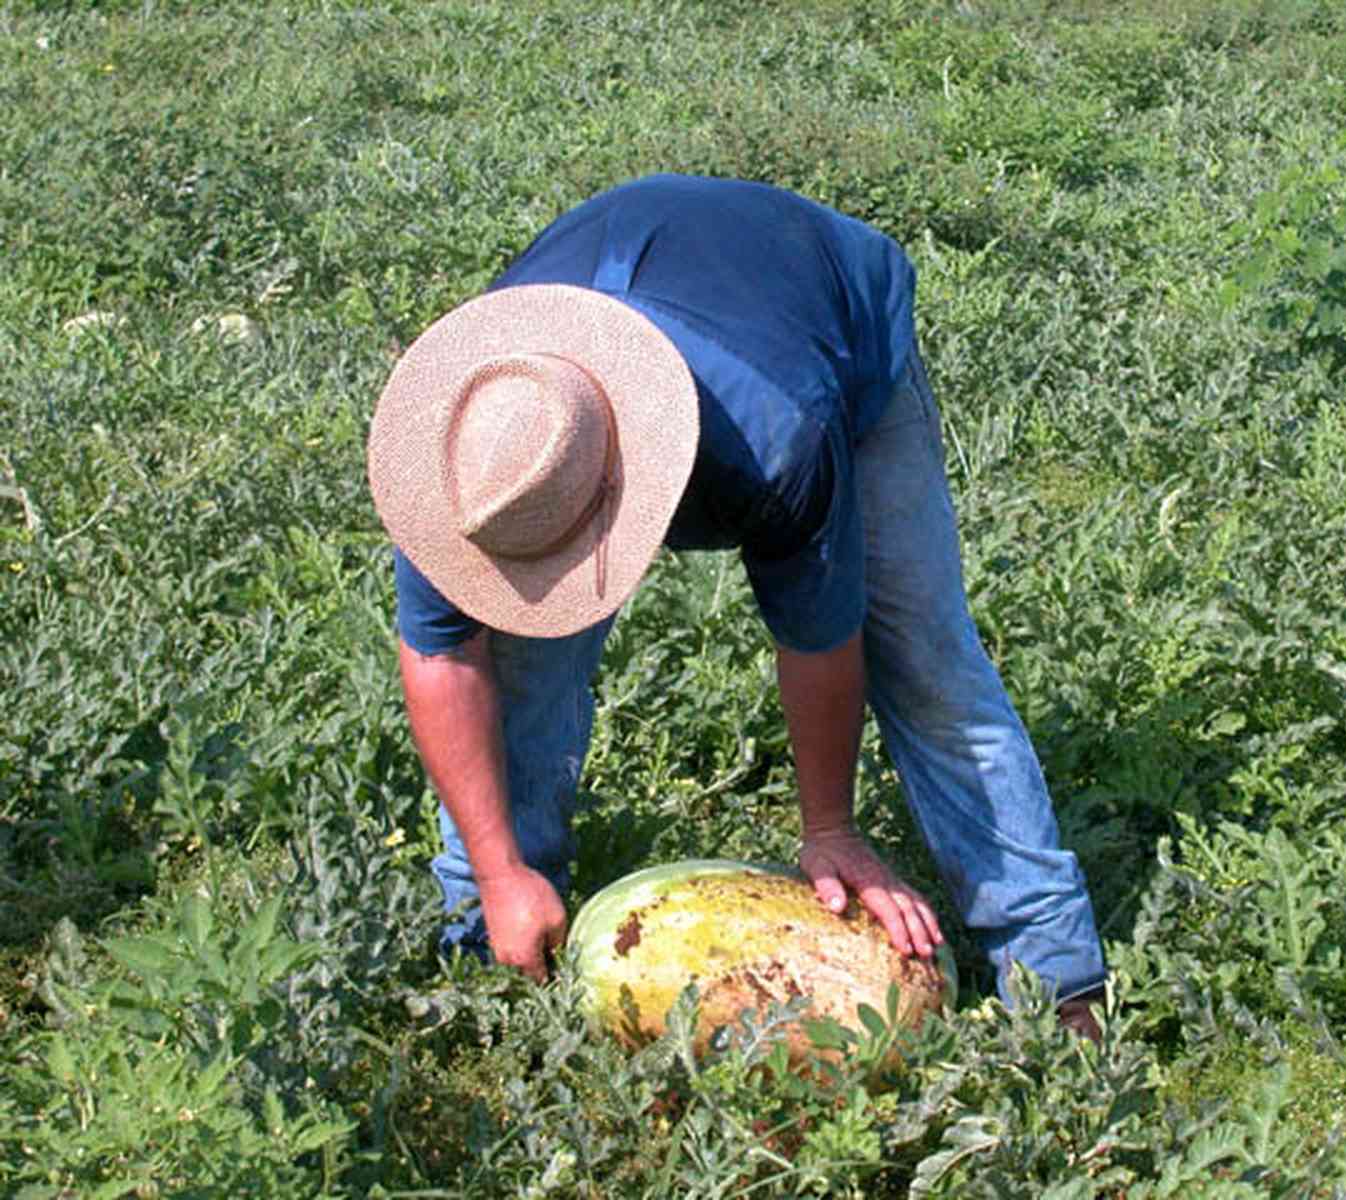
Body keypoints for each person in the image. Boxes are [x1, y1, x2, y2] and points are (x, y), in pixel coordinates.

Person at [366, 174, 1106, 1038]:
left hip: (830, 327)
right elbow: (442, 656)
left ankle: (1055, 978)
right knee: (521, 655)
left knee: (925, 662)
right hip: (656, 310)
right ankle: (489, 943)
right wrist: (495, 872)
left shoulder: (777, 433)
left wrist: (829, 827)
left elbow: (821, 637)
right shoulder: (475, 447)